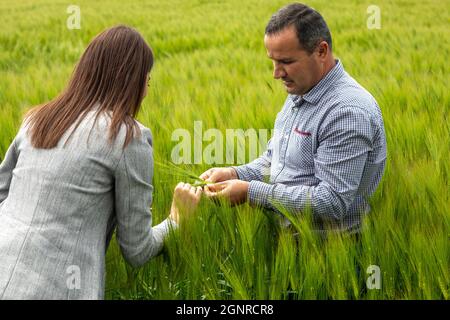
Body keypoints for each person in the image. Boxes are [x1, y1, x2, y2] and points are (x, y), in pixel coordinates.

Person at [0, 25, 202, 299]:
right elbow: (137, 250)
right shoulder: (128, 137)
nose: (145, 91)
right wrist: (177, 219)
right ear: (132, 81)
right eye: (147, 80)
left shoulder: (36, 119)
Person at [202, 3, 387, 235]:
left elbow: (332, 202)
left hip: (331, 251)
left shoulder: (347, 112)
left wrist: (250, 192)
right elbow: (276, 162)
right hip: (295, 248)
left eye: (286, 62)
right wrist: (235, 174)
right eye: (273, 60)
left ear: (321, 51)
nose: (276, 73)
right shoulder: (302, 88)